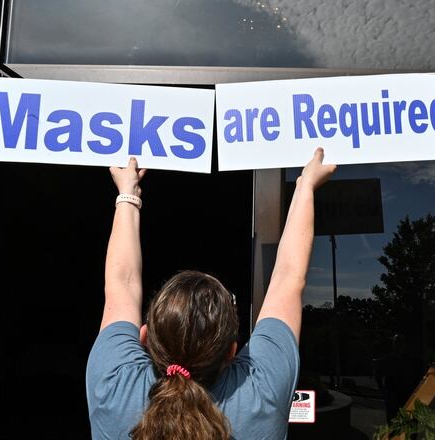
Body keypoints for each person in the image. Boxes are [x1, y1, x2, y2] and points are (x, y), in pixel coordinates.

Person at [86, 148, 336, 439]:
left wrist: (128, 194)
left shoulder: (113, 386)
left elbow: (122, 282)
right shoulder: (261, 392)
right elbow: (287, 279)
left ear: (144, 337)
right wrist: (305, 185)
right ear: (232, 350)